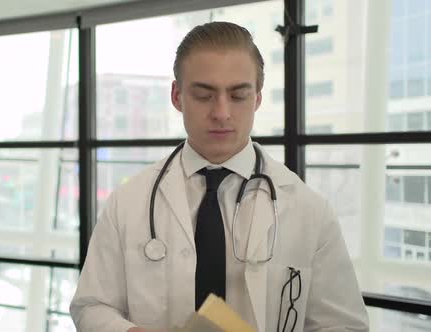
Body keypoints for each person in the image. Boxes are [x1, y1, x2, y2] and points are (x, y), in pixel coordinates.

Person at [70, 21, 369, 332]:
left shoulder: (309, 210)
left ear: (257, 98)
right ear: (177, 96)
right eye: (203, 95)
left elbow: (344, 325)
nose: (222, 112)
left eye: (238, 95)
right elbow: (91, 306)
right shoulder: (129, 203)